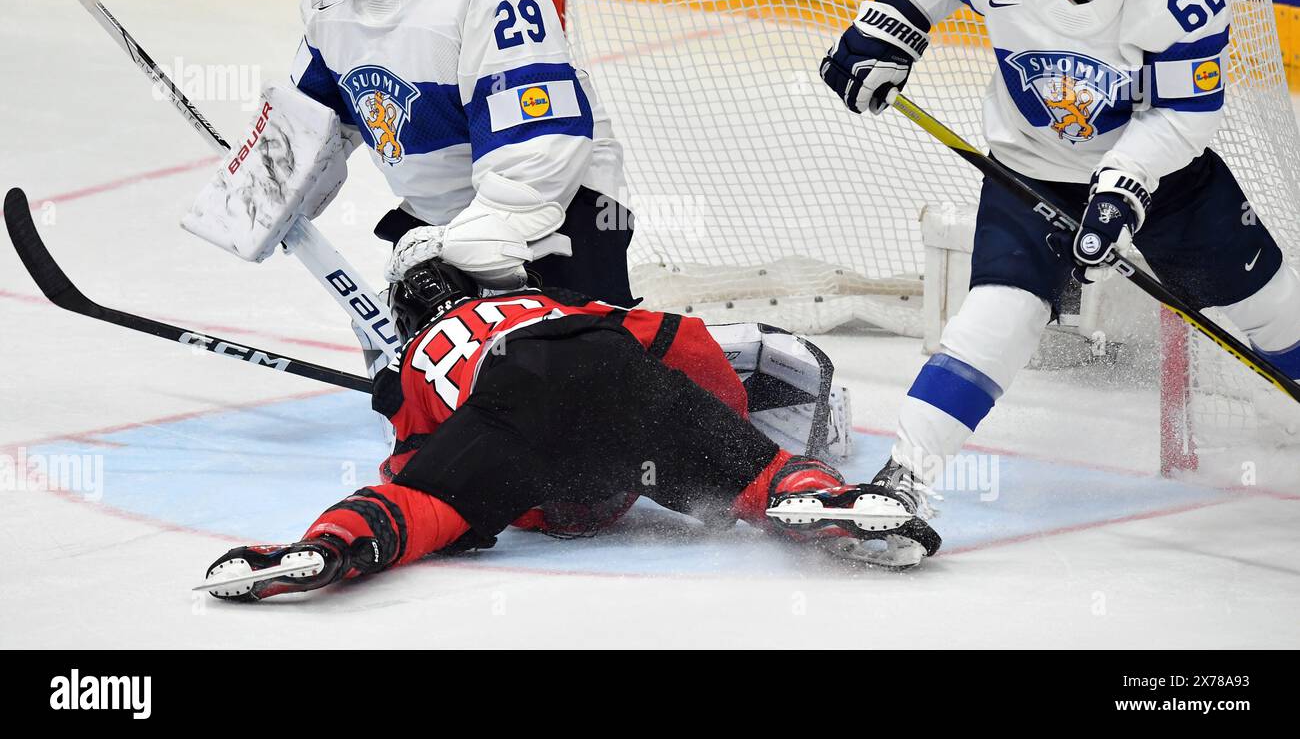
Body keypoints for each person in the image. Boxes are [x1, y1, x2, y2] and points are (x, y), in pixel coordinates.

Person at [819, 0, 1300, 527]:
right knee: (999, 316)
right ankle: (903, 480)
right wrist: (887, 27)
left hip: (1162, 181)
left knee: (1268, 305)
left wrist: (1124, 184)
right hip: (1032, 167)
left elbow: (1188, 113)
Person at [199, 261, 940, 600]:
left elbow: (412, 464)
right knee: (752, 478)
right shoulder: (545, 300)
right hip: (610, 371)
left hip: (517, 415)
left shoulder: (413, 366)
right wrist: (719, 427)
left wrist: (491, 501)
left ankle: (330, 547)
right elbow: (671, 338)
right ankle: (816, 500)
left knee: (421, 506)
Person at [289, 0, 634, 309]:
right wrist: (276, 182)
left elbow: (538, 149)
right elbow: (314, 115)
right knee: (412, 380)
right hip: (443, 219)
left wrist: (468, 240)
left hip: (559, 207)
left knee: (566, 367)